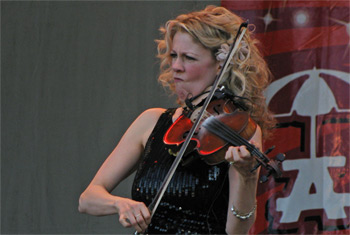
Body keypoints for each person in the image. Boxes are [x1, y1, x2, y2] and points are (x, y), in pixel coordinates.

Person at [78, 5, 276, 234]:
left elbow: (237, 230)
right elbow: (88, 198)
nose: (175, 67)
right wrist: (120, 204)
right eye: (173, 55)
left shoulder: (240, 130)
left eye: (188, 58)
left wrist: (247, 177)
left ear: (220, 64)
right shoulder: (151, 121)